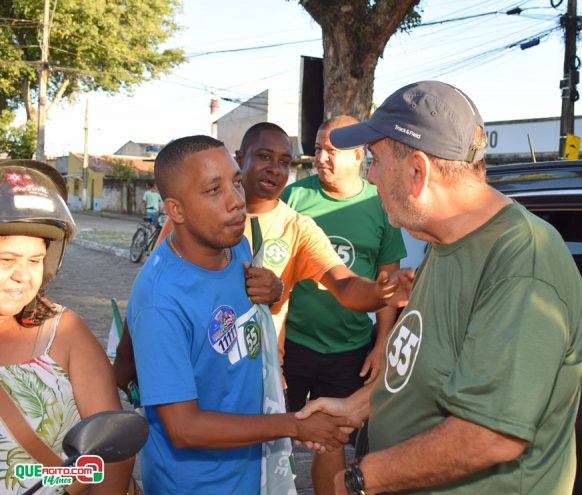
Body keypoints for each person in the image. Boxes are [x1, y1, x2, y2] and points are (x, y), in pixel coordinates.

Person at [296, 81, 582, 494]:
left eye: (376, 163)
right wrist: (355, 408)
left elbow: (490, 435)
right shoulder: (443, 241)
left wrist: (360, 481)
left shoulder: (520, 262)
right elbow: (419, 368)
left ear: (418, 172)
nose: (373, 178)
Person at [125, 135, 359, 495]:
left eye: (235, 182)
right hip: (196, 485)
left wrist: (277, 291)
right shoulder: (162, 299)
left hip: (251, 470)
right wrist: (293, 425)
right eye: (213, 190)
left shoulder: (236, 247)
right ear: (176, 210)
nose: (237, 201)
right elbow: (184, 428)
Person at [113, 122, 410, 393]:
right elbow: (149, 290)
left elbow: (344, 285)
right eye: (265, 156)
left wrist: (379, 292)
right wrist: (126, 361)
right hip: (191, 373)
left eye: (284, 162)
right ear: (240, 157)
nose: (275, 169)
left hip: (257, 378)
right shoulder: (193, 221)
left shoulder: (297, 227)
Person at [280, 116, 407, 495]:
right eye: (318, 149)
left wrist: (382, 343)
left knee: (330, 438)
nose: (320, 158)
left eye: (331, 151)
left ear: (358, 156)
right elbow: (275, 270)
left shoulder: (379, 203)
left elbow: (388, 284)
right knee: (270, 430)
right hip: (293, 344)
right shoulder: (294, 198)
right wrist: (276, 337)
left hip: (348, 348)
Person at [0, 159, 134, 494]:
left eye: (34, 260)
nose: (22, 275)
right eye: (6, 260)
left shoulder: (65, 333)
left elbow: (112, 456)